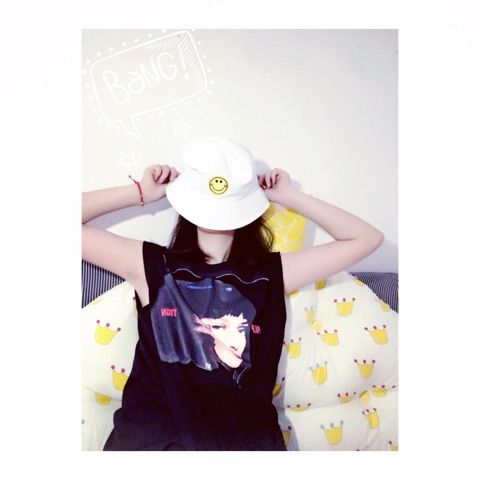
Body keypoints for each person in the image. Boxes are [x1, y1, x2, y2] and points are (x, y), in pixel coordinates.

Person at [82, 136, 384, 450]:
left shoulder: (272, 272)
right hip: (154, 444)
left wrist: (288, 197)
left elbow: (366, 239)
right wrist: (140, 192)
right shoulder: (152, 264)